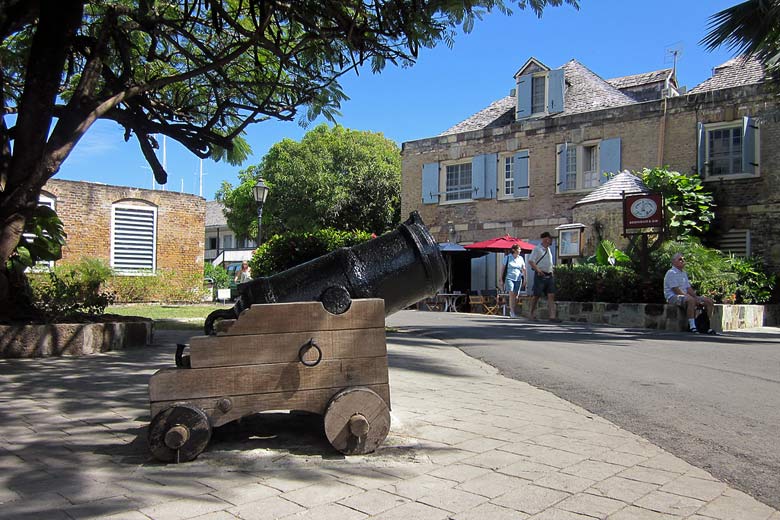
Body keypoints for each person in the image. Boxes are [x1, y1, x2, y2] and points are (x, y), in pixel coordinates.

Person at [663, 253, 716, 333]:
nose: (683, 261)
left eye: (683, 259)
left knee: (709, 301)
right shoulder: (671, 273)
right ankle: (692, 326)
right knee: (691, 300)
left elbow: (688, 288)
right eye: (680, 259)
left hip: (684, 296)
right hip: (673, 297)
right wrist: (692, 298)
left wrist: (696, 297)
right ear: (674, 262)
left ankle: (705, 326)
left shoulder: (683, 273)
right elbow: (676, 290)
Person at [528, 231, 559, 322]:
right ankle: (531, 313)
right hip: (540, 275)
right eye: (550, 239)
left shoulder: (548, 249)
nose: (552, 241)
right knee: (536, 295)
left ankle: (552, 316)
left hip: (549, 275)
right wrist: (538, 270)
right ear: (546, 239)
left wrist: (552, 271)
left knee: (551, 295)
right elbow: (531, 261)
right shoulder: (537, 249)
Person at [500, 244, 527, 318]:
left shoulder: (521, 258)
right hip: (509, 278)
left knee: (516, 296)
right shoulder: (508, 257)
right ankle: (512, 312)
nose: (520, 250)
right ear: (514, 250)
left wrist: (525, 279)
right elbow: (503, 268)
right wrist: (501, 278)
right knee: (511, 293)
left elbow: (524, 269)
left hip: (518, 278)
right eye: (519, 249)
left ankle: (514, 309)